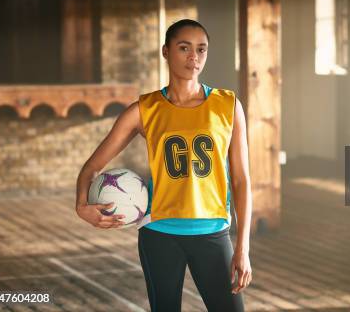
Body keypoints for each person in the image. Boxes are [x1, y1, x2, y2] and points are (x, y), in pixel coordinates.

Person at [75, 19, 252, 311]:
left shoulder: (228, 105)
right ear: (166, 51)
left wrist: (243, 247)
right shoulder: (145, 109)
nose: (193, 57)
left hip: (212, 232)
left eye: (201, 49)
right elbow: (92, 167)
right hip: (159, 234)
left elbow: (242, 180)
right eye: (184, 48)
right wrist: (81, 205)